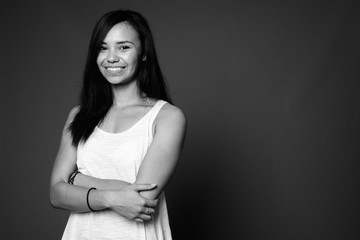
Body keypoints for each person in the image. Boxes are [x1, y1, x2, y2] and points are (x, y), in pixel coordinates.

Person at [50, 9, 186, 240]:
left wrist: (76, 179)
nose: (111, 57)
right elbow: (56, 194)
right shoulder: (79, 115)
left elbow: (140, 199)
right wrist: (111, 198)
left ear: (144, 53)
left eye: (123, 47)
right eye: (103, 48)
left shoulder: (166, 117)